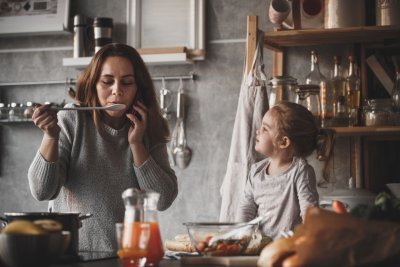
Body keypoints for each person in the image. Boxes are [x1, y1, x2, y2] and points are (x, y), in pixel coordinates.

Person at [28, 43, 178, 252]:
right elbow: (42, 191)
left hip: (128, 257)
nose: (117, 90)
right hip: (70, 256)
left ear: (138, 88)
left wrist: (136, 144)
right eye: (107, 81)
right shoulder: (72, 119)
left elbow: (163, 200)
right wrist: (51, 136)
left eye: (127, 82)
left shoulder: (149, 128)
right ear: (93, 85)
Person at [237, 101, 331, 240]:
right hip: (260, 248)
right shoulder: (256, 171)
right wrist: (242, 236)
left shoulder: (300, 171)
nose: (258, 131)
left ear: (283, 142)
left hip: (290, 247)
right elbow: (246, 208)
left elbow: (309, 212)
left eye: (265, 129)